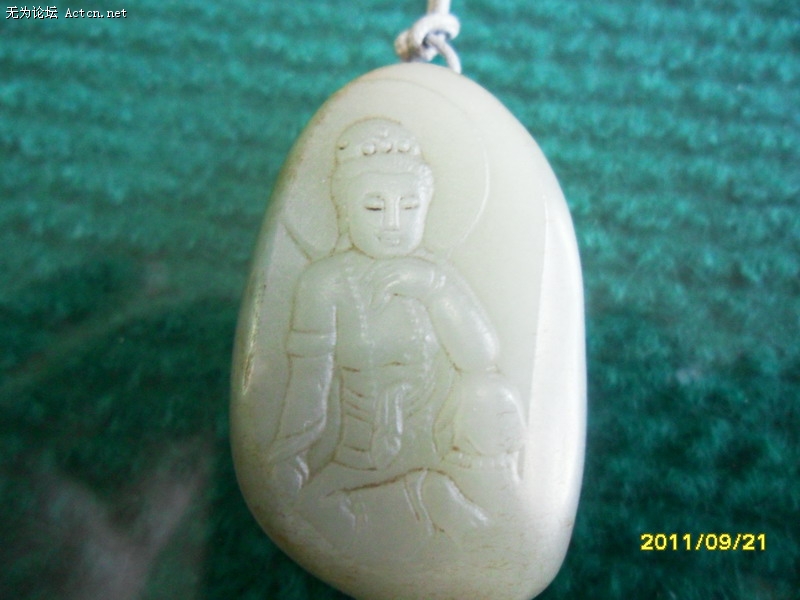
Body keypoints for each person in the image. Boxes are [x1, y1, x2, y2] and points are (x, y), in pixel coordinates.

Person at [268, 118, 524, 558]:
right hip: (360, 459)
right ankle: (425, 502)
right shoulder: (324, 282)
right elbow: (309, 383)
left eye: (409, 207)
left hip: (443, 451)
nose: (393, 223)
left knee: (488, 400)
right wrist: (288, 457)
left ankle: (437, 506)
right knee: (315, 507)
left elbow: (481, 359)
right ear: (344, 211)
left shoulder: (434, 274)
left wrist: (433, 289)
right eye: (374, 208)